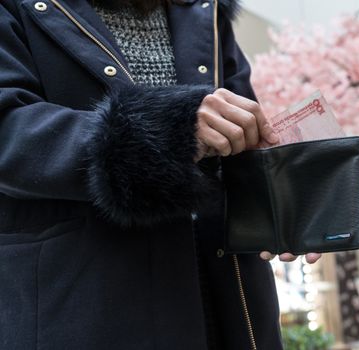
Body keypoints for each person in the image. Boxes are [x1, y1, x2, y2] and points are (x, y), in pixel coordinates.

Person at [0, 0, 321, 349]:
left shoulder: (207, 11)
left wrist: (285, 208)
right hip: (88, 303)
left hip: (228, 300)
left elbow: (242, 138)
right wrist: (170, 129)